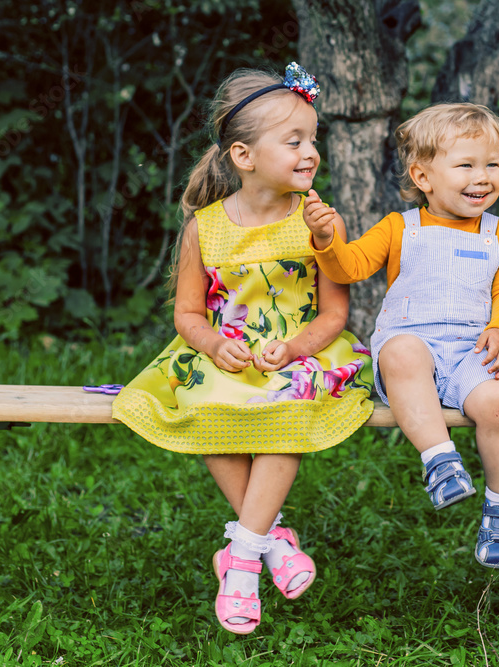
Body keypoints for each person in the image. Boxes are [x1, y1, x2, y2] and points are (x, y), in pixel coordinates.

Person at [112, 64, 373, 635]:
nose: (310, 153)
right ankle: (274, 540)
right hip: (227, 353)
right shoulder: (203, 227)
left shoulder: (318, 222)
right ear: (243, 155)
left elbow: (335, 313)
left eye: (313, 140)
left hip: (298, 353)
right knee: (206, 406)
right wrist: (210, 342)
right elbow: (186, 313)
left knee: (288, 406)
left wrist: (297, 346)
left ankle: (242, 561)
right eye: (294, 141)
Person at [301, 103, 499, 569]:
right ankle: (440, 459)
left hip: (473, 347)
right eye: (466, 165)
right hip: (412, 345)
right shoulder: (399, 227)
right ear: (423, 177)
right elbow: (352, 267)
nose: (483, 176)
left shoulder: (497, 231)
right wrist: (326, 243)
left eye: (493, 163)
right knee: (402, 353)